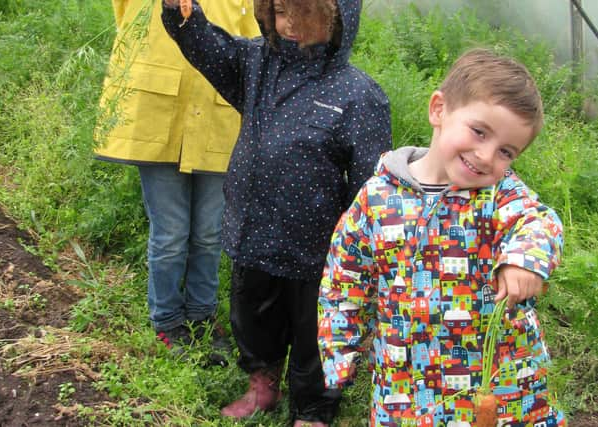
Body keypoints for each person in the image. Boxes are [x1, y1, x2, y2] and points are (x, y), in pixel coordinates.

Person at [161, 0, 392, 425]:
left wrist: (359, 252)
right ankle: (262, 386)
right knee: (253, 319)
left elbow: (369, 188)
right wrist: (184, 14)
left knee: (315, 337)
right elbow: (212, 49)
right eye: (280, 11)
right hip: (253, 235)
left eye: (304, 16)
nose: (288, 25)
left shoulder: (358, 94)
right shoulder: (255, 64)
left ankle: (313, 410)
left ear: (338, 21)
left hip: (315, 252)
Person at [318, 48, 566, 426]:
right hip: (406, 387)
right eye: (479, 131)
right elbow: (344, 277)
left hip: (499, 387)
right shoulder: (377, 199)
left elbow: (539, 222)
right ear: (439, 110)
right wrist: (339, 350)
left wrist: (524, 259)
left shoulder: (502, 196)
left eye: (506, 151)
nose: (485, 156)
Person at [94, 0, 260, 360]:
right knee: (169, 233)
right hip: (157, 118)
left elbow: (252, 48)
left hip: (219, 124)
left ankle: (201, 316)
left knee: (209, 233)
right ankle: (167, 319)